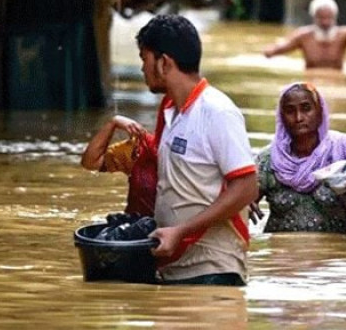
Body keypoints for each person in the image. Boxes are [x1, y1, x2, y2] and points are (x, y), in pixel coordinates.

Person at [84, 14, 258, 286]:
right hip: (173, 268)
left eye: (144, 59)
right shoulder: (169, 113)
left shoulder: (217, 111)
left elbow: (247, 188)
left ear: (164, 63)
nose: (142, 69)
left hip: (212, 270)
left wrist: (181, 231)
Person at [254, 82, 346, 235]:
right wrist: (243, 206)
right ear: (281, 116)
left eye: (306, 109)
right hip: (283, 255)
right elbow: (243, 202)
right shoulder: (269, 160)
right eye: (290, 111)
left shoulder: (345, 151)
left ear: (320, 111)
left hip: (335, 256)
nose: (299, 117)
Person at [263, 0, 346, 70]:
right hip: (311, 82)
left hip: (336, 79)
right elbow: (278, 49)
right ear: (314, 17)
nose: (325, 22)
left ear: (335, 17)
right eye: (321, 18)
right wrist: (270, 50)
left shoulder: (344, 35)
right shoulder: (303, 36)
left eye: (329, 18)